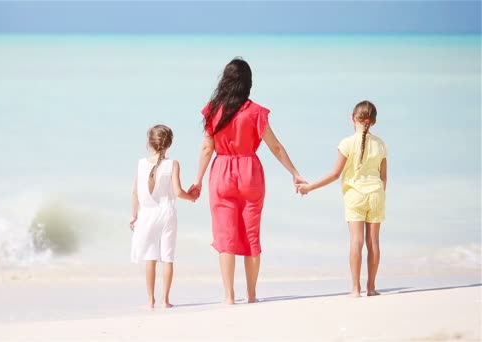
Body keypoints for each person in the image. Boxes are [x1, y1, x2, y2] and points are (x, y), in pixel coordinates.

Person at [191, 57, 306, 304]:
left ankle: (229, 297)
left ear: (225, 81)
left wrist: (198, 180)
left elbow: (206, 148)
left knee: (226, 238)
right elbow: (275, 147)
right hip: (250, 173)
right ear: (248, 83)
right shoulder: (255, 112)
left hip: (221, 171)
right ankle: (252, 295)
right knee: (251, 235)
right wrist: (294, 172)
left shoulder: (213, 110)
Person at [297, 100, 387, 297]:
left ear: (352, 118)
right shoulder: (380, 144)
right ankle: (371, 288)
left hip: (355, 196)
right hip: (376, 195)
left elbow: (335, 174)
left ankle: (356, 288)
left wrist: (309, 187)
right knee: (374, 243)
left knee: (356, 242)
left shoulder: (346, 143)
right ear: (373, 121)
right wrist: (380, 196)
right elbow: (383, 177)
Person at [130, 124, 198, 308]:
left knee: (150, 257)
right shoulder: (173, 164)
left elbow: (135, 193)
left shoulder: (141, 164)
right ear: (169, 144)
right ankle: (165, 300)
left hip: (146, 215)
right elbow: (177, 192)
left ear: (149, 143)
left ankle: (150, 300)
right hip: (167, 213)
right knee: (168, 257)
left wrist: (133, 216)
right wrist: (191, 197)